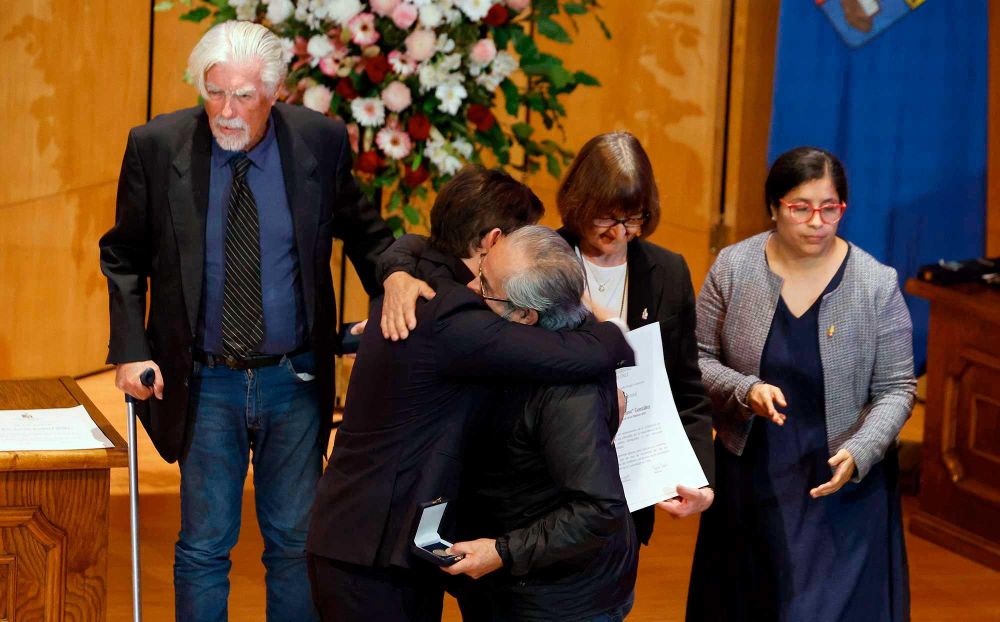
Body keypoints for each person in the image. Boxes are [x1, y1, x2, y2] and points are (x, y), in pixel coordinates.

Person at [98, 21, 417, 621]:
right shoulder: (158, 144)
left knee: (296, 544)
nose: (226, 110)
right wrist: (130, 347)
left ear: (274, 93)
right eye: (214, 92)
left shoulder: (319, 141)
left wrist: (396, 281)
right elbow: (122, 255)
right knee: (204, 546)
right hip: (203, 380)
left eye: (243, 96)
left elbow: (368, 234)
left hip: (292, 377)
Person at [306, 167, 634, 622]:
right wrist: (611, 334)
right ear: (492, 241)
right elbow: (579, 352)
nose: (481, 286)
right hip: (372, 549)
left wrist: (395, 267)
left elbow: (411, 244)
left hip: (382, 538)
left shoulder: (421, 273)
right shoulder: (457, 314)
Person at [687, 146, 915, 621]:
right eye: (801, 208)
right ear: (773, 208)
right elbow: (697, 360)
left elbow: (897, 387)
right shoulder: (734, 268)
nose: (817, 221)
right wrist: (745, 388)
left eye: (830, 208)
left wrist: (864, 448)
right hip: (753, 476)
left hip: (841, 479)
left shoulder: (876, 283)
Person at [443, 225, 638, 622]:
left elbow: (599, 508)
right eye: (481, 268)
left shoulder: (567, 392)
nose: (470, 288)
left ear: (525, 315)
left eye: (485, 285)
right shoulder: (528, 345)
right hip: (511, 582)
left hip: (556, 600)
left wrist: (502, 551)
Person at [555, 131, 716, 545]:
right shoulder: (541, 258)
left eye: (633, 218)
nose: (619, 233)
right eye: (606, 217)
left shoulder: (669, 272)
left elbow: (686, 387)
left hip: (630, 489)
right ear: (579, 202)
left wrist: (701, 479)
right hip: (548, 484)